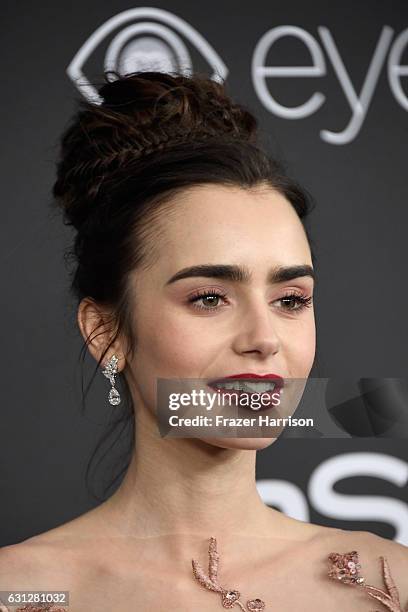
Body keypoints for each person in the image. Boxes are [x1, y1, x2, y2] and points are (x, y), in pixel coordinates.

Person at [0, 70, 407, 612]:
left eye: (290, 300)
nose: (264, 339)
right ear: (106, 332)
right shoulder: (20, 591)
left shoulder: (390, 584)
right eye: (210, 298)